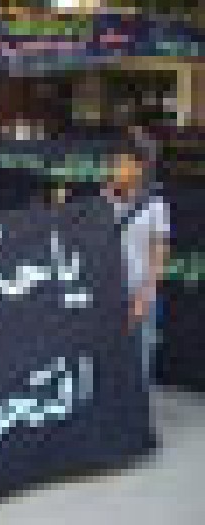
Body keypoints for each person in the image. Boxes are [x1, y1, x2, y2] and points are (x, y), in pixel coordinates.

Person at [102, 134, 170, 386]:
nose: (116, 168)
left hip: (139, 292)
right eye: (114, 163)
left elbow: (159, 254)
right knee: (104, 358)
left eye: (122, 163)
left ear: (139, 167)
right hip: (107, 290)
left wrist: (145, 296)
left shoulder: (155, 205)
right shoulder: (105, 200)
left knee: (138, 361)